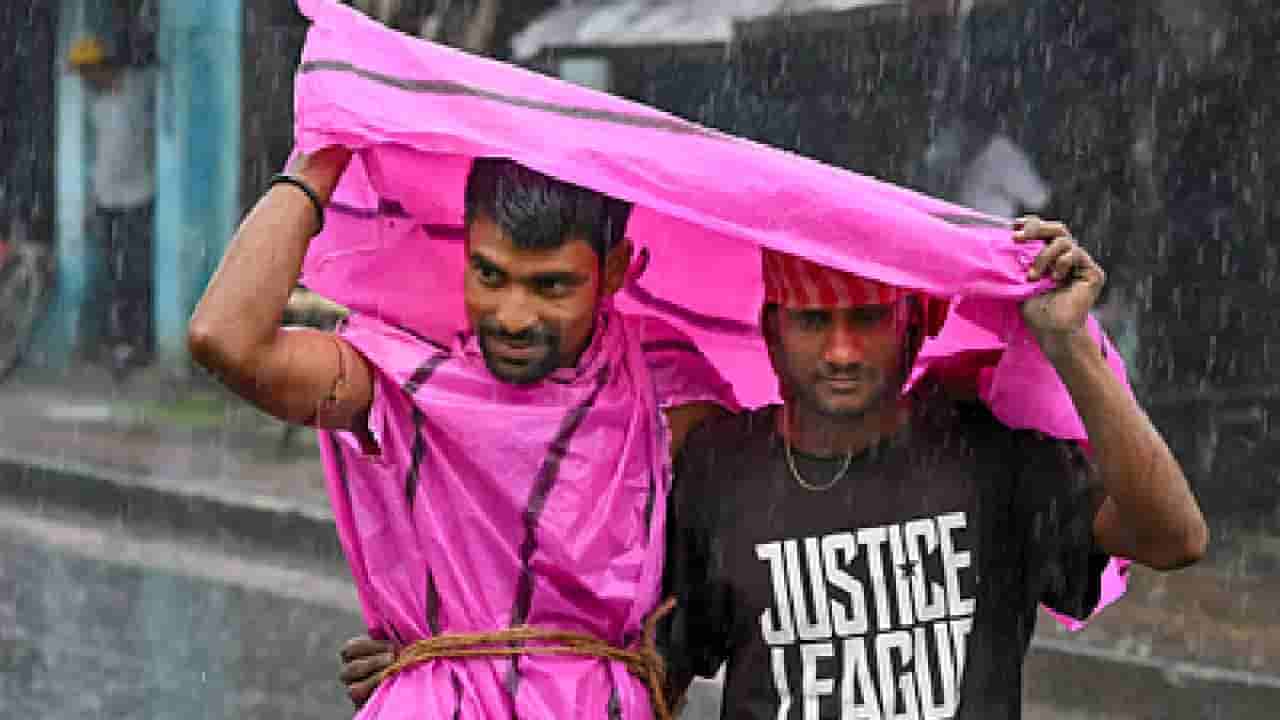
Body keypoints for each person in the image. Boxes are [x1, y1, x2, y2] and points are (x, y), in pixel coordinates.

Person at [339, 218, 1207, 718]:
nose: (841, 351)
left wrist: (1068, 344)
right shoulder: (719, 468)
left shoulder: (991, 455)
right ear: (769, 330)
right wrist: (453, 668)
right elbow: (643, 674)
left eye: (867, 319)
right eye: (812, 322)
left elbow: (1175, 537)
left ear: (914, 324)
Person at [188, 148, 736, 718]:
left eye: (552, 286)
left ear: (615, 271)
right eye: (489, 275)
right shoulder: (407, 379)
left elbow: (729, 575)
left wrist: (630, 668)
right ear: (465, 249)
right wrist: (318, 165)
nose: (513, 316)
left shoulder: (663, 391)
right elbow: (224, 340)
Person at [69, 36, 155, 377]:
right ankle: (115, 341)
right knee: (110, 276)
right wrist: (91, 202)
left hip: (138, 199)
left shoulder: (138, 89)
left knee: (135, 274)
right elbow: (98, 157)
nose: (84, 80)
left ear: (100, 67)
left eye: (86, 72)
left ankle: (137, 342)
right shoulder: (96, 105)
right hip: (106, 203)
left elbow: (155, 73)